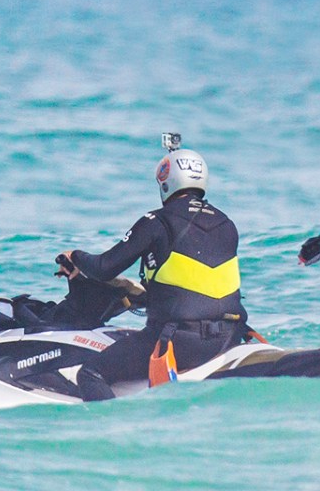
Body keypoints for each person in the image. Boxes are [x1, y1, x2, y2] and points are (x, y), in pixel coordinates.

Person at [58, 144, 249, 401]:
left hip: (182, 342)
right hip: (230, 337)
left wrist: (75, 257)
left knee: (91, 373)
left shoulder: (156, 222)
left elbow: (104, 268)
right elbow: (191, 285)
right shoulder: (228, 225)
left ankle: (112, 424)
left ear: (166, 183)